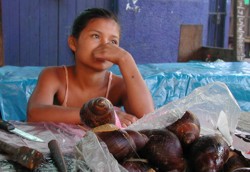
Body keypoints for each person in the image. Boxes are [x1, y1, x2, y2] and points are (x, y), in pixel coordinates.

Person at [27, 8, 154, 128]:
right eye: (96, 36)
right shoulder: (53, 76)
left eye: (113, 42)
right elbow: (35, 113)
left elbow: (148, 120)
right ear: (73, 43)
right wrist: (100, 116)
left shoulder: (119, 86)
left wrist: (126, 60)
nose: (105, 46)